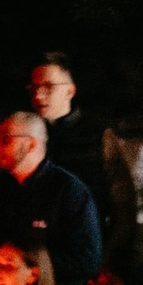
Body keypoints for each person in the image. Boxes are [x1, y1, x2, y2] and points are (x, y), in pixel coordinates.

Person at [0, 109, 104, 285]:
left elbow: (88, 258)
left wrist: (29, 267)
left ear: (31, 144)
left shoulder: (69, 192)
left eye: (5, 139)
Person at [27, 54, 95, 199]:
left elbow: (121, 200)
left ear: (70, 91)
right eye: (34, 87)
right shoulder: (19, 133)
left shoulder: (97, 136)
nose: (38, 95)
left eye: (49, 86)